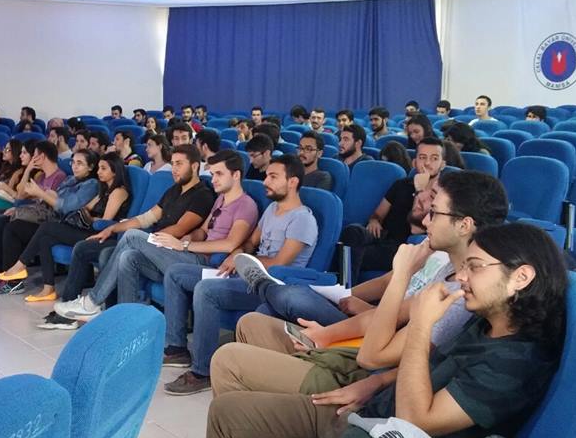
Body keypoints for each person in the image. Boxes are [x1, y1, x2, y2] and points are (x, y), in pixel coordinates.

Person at [203, 222, 565, 438]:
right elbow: (433, 366)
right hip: (366, 411)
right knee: (226, 413)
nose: (462, 277)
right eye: (464, 266)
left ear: (521, 277)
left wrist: (421, 323)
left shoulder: (514, 364)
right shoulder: (487, 320)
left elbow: (416, 420)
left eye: (475, 267)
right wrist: (377, 383)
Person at [211, 170, 509, 400]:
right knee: (253, 321)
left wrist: (401, 274)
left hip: (362, 371)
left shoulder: (460, 294)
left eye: (435, 212)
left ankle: (266, 290)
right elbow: (391, 313)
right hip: (360, 344)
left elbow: (374, 357)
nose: (426, 220)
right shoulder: (446, 265)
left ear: (464, 225)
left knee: (231, 358)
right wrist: (328, 332)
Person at [162, 156, 319, 395]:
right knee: (176, 273)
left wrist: (242, 261)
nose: (265, 181)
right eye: (266, 176)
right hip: (244, 274)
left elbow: (279, 264)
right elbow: (250, 242)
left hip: (271, 286)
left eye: (273, 177)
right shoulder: (272, 209)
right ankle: (177, 349)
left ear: (293, 181)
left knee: (206, 290)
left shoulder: (303, 219)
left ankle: (203, 372)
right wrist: (237, 253)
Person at [48, 145, 215, 324]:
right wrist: (112, 229)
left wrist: (146, 240)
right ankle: (124, 320)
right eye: (173, 163)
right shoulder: (174, 190)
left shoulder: (202, 195)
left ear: (195, 166)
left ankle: (92, 302)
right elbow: (146, 218)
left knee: (133, 236)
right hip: (158, 248)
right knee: (126, 256)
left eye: (179, 164)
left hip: (175, 254)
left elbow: (180, 229)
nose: (174, 169)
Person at [0, 152, 132, 301]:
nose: (98, 172)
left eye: (103, 168)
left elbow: (105, 221)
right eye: (99, 168)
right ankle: (48, 289)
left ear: (115, 171)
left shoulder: (118, 192)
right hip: (89, 228)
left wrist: (88, 216)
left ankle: (20, 266)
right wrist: (81, 213)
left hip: (102, 234)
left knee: (47, 227)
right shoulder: (104, 190)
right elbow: (86, 209)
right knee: (45, 239)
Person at [0, 148, 100, 279]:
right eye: (73, 162)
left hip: (57, 221)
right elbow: (32, 199)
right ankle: (0, 270)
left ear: (91, 166)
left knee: (10, 226)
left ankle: (12, 277)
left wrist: (41, 194)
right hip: (44, 213)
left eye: (80, 163)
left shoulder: (90, 184)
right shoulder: (69, 179)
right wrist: (35, 197)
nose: (74, 166)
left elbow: (67, 206)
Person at [341, 137, 445, 281]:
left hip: (406, 245)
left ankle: (344, 285)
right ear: (414, 162)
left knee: (348, 254)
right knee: (352, 231)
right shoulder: (401, 185)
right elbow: (378, 213)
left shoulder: (442, 193)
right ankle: (344, 283)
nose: (427, 163)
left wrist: (419, 190)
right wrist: (374, 220)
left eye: (434, 158)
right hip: (382, 236)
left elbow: (417, 228)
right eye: (422, 157)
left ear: (443, 164)